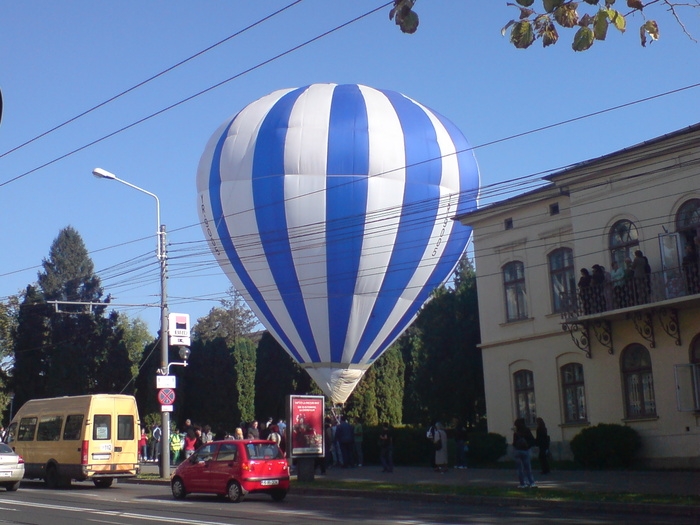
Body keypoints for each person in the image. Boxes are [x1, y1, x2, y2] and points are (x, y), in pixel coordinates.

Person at [512, 418, 536, 488]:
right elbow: (532, 440)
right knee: (528, 468)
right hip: (525, 451)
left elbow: (514, 443)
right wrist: (528, 446)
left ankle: (522, 484)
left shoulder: (516, 433)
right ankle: (531, 482)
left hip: (517, 451)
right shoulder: (527, 431)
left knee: (520, 469)